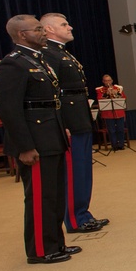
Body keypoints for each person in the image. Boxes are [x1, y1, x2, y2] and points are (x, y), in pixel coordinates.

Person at [0, 15, 72, 264]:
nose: (42, 32)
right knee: (41, 196)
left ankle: (56, 243)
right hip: (35, 141)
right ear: (21, 35)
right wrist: (24, 147)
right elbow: (8, 109)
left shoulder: (38, 60)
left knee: (55, 194)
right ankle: (40, 250)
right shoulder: (12, 64)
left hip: (52, 136)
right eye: (37, 29)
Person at [41, 12, 108, 234]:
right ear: (49, 29)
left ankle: (83, 213)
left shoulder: (63, 54)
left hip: (79, 116)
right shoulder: (48, 54)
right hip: (69, 119)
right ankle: (75, 219)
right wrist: (61, 123)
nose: (70, 27)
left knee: (82, 168)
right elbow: (52, 93)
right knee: (73, 171)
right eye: (64, 24)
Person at [96, 74, 127, 150]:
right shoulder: (100, 90)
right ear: (103, 81)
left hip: (119, 112)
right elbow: (99, 99)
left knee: (120, 129)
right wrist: (106, 94)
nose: (107, 82)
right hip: (108, 114)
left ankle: (121, 144)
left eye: (109, 80)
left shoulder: (118, 88)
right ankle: (114, 145)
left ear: (112, 81)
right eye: (106, 81)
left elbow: (124, 98)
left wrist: (116, 93)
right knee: (111, 130)